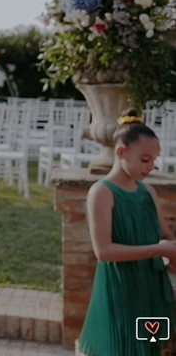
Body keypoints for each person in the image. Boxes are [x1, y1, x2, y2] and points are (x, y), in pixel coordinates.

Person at [76, 109, 176, 356]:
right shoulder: (101, 193)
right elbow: (104, 251)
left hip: (151, 289)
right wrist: (160, 249)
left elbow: (166, 233)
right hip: (120, 290)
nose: (151, 166)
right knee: (120, 347)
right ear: (121, 152)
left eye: (154, 159)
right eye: (144, 160)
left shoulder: (148, 192)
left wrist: (172, 252)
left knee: (151, 348)